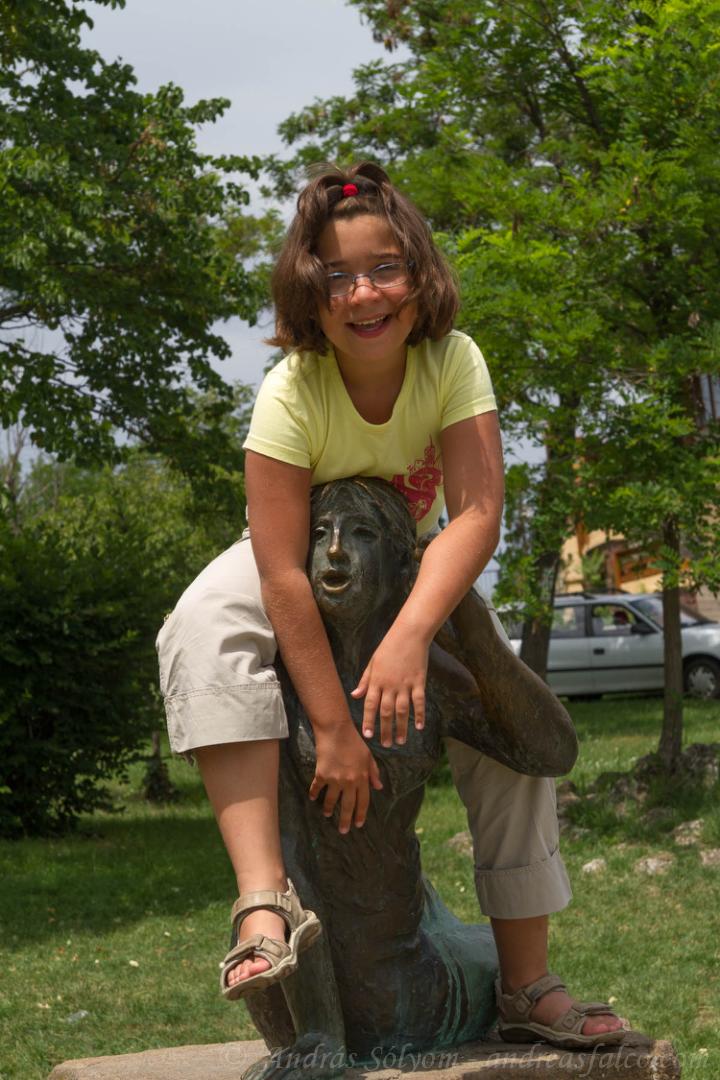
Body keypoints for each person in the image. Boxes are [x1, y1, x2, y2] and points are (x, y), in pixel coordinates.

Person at [157, 162, 624, 1051]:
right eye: (336, 277)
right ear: (310, 293)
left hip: (409, 557)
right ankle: (262, 903)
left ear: (419, 275)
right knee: (202, 623)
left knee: (507, 712)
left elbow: (475, 513)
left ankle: (526, 981)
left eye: (384, 269)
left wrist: (411, 637)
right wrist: (334, 728)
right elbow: (282, 571)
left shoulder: (451, 360)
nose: (363, 294)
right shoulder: (293, 388)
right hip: (296, 550)